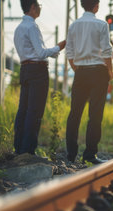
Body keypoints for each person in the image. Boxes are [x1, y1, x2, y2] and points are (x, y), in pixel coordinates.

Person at [14, 0, 66, 155]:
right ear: (32, 7)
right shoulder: (32, 26)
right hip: (37, 71)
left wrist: (55, 51)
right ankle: (28, 150)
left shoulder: (18, 28)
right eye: (39, 6)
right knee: (34, 111)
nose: (40, 9)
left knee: (23, 109)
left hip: (25, 69)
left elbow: (36, 53)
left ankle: (18, 147)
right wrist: (59, 47)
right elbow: (42, 53)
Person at [65, 0, 113, 164]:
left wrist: (76, 69)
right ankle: (90, 154)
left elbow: (69, 51)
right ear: (96, 6)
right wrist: (110, 70)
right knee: (95, 115)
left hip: (81, 72)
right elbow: (106, 50)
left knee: (74, 114)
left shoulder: (73, 26)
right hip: (99, 72)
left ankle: (71, 154)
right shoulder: (101, 25)